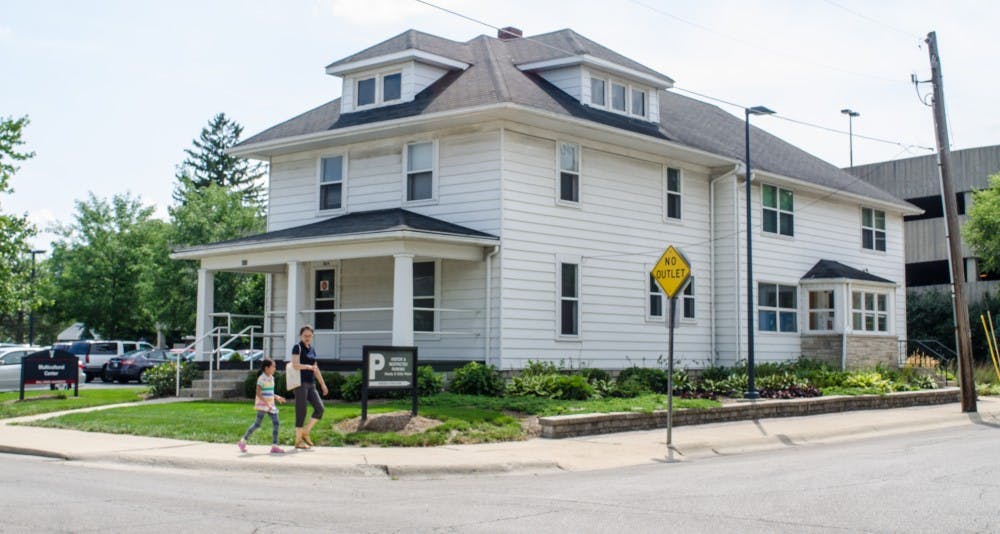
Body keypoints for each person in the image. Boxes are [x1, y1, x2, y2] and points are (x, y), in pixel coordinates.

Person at [238, 358, 286, 454]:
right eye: (273, 366)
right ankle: (243, 441)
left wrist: (277, 397)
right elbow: (258, 393)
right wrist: (266, 403)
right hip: (262, 405)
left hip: (270, 405)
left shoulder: (272, 378)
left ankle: (274, 446)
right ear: (266, 368)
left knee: (276, 423)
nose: (275, 368)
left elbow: (269, 392)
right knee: (257, 424)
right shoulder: (261, 378)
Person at [291, 325, 328, 449]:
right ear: (301, 336)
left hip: (311, 384)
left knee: (320, 408)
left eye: (309, 336)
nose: (307, 338)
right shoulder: (297, 347)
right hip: (300, 383)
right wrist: (307, 366)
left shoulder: (312, 349)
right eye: (305, 336)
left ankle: (306, 432)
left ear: (312, 336)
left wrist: (323, 384)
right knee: (301, 411)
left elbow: (316, 369)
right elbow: (295, 365)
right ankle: (298, 441)